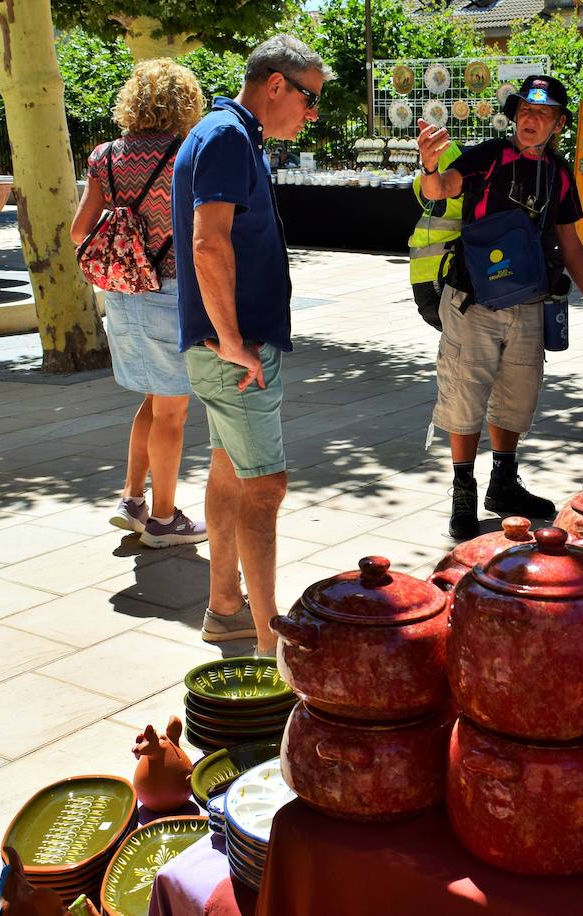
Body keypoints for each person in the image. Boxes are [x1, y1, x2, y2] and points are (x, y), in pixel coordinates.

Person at [172, 34, 334, 654]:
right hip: (233, 353)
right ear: (275, 84)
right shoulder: (227, 137)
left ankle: (225, 607)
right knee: (266, 485)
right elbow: (209, 243)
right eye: (309, 98)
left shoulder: (228, 134)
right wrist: (235, 342)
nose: (311, 113)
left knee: (232, 474)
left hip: (223, 346)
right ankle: (273, 648)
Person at [416, 74, 583, 540]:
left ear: (558, 124)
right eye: (525, 110)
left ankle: (503, 484)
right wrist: (428, 167)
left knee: (515, 398)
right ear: (514, 116)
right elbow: (441, 188)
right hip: (472, 301)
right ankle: (463, 489)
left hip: (529, 302)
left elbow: (569, 240)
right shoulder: (488, 155)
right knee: (465, 393)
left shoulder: (560, 174)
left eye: (542, 113)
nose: (531, 118)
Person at [70, 59, 208, 548]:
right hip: (172, 294)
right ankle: (165, 520)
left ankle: (132, 499)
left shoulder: (104, 157)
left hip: (123, 292)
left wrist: (127, 239)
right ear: (186, 103)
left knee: (152, 400)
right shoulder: (187, 155)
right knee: (173, 411)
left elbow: (79, 233)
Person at [409, 140, 463, 329]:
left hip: (424, 275)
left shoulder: (425, 186)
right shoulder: (458, 191)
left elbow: (420, 188)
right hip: (439, 274)